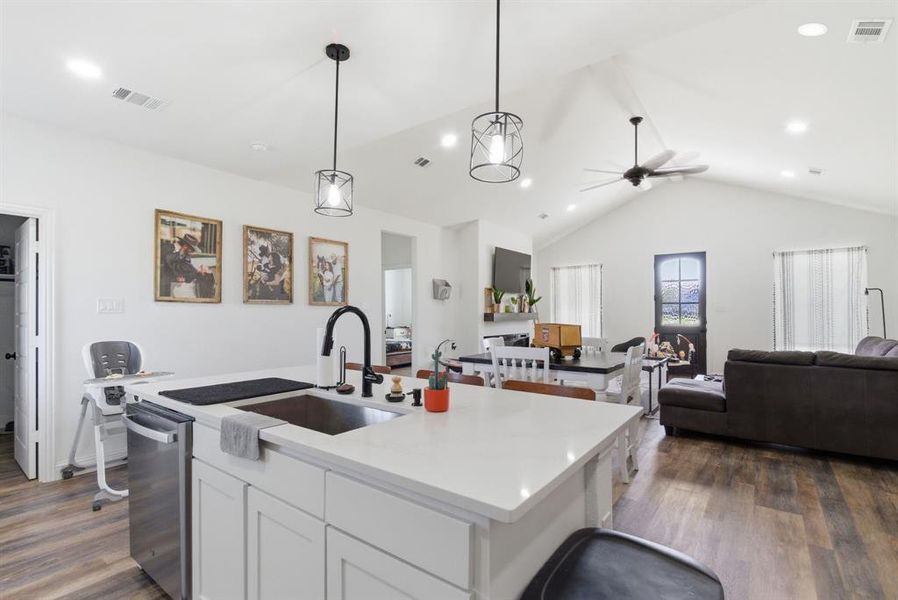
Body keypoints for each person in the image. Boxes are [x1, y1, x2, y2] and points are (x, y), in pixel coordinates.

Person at [159, 233, 215, 298]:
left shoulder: (184, 256)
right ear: (186, 246)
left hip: (174, 288)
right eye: (191, 249)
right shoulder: (167, 248)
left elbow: (181, 269)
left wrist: (183, 278)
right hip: (163, 287)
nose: (191, 251)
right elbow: (168, 265)